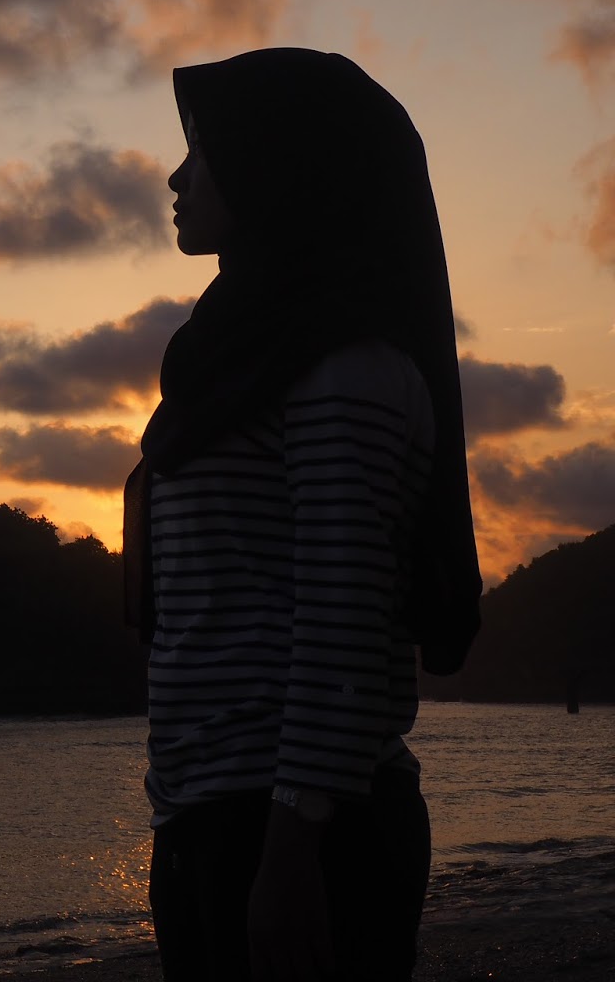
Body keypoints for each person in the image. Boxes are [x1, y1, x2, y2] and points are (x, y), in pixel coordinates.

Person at [119, 48, 483, 981]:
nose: (177, 175)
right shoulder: (233, 357)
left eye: (203, 150)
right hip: (208, 819)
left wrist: (288, 855)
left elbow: (346, 618)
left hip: (307, 831)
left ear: (282, 167)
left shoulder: (342, 369)